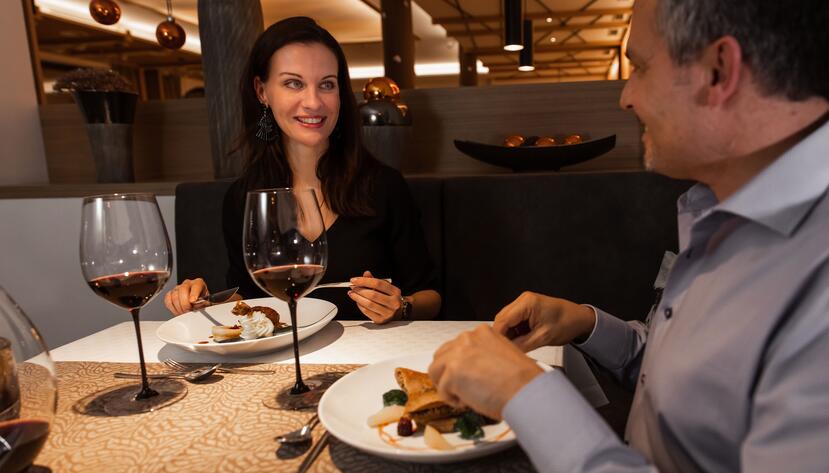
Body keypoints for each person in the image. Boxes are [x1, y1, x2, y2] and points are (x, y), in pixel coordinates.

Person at [429, 0, 829, 471]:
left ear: (718, 72)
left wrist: (524, 393)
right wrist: (585, 323)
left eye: (638, 66)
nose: (626, 97)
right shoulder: (723, 208)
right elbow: (687, 383)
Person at [164, 17, 441, 323]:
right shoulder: (243, 197)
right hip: (280, 364)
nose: (313, 101)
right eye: (293, 83)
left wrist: (401, 305)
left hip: (368, 359)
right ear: (262, 91)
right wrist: (204, 302)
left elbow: (432, 296)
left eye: (326, 84)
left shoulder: (383, 185)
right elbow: (248, 299)